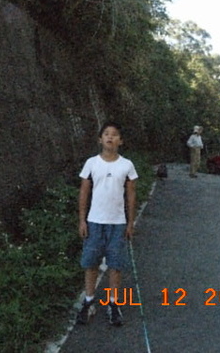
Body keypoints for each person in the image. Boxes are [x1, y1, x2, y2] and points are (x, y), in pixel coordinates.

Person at [76, 121, 138, 326]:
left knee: (115, 265)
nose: (110, 137)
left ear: (121, 141)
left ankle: (113, 304)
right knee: (91, 263)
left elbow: (131, 195)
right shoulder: (92, 163)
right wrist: (82, 220)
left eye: (114, 135)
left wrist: (130, 223)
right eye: (106, 134)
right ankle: (89, 301)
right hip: (94, 222)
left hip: (118, 223)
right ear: (100, 139)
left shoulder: (127, 165)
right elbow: (84, 192)